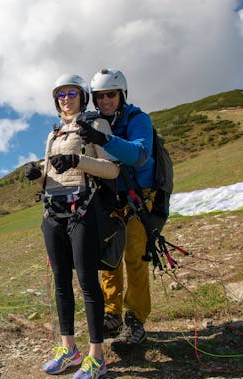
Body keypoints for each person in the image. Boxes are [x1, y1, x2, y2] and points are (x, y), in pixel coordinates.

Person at [25, 73, 119, 379]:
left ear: (82, 96)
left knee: (88, 281)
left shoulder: (95, 126)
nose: (66, 98)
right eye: (61, 94)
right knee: (61, 281)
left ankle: (97, 357)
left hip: (83, 209)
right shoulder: (52, 135)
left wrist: (77, 161)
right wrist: (36, 176)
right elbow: (52, 177)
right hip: (52, 212)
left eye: (71, 92)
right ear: (56, 100)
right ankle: (69, 350)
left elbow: (112, 169)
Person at [80, 68, 156, 351]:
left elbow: (139, 154)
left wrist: (105, 140)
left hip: (139, 198)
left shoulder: (138, 119)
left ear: (121, 94)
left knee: (135, 256)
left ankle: (135, 320)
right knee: (109, 258)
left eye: (111, 95)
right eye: (100, 96)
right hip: (109, 199)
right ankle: (111, 315)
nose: (106, 101)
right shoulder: (95, 122)